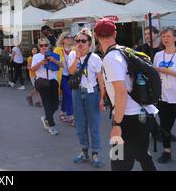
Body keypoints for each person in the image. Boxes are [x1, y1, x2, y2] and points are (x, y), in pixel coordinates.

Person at [95, 18, 158, 171]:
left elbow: (121, 93)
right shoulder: (124, 51)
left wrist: (116, 125)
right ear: (115, 33)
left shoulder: (111, 58)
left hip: (127, 119)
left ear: (95, 35)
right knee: (143, 155)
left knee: (118, 164)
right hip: (143, 115)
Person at [68, 28, 106, 168]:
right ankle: (84, 151)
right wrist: (77, 58)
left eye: (83, 41)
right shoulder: (73, 55)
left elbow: (100, 80)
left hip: (92, 93)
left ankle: (95, 153)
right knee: (80, 123)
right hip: (77, 92)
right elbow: (71, 72)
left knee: (94, 124)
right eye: (77, 40)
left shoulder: (95, 58)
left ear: (90, 43)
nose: (79, 43)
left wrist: (102, 97)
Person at [29, 38, 61, 136]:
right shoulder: (36, 57)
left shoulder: (54, 55)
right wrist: (40, 63)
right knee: (47, 104)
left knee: (55, 104)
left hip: (53, 82)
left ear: (49, 45)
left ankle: (47, 118)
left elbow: (60, 66)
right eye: (41, 45)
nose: (44, 47)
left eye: (45, 45)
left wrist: (53, 60)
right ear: (39, 46)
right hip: (42, 82)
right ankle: (51, 126)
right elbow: (32, 69)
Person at [153, 27, 176, 164]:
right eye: (163, 36)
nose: (166, 39)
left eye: (168, 36)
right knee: (164, 128)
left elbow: (161, 70)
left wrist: (164, 70)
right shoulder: (158, 55)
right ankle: (166, 152)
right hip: (163, 98)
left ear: (175, 38)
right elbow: (155, 74)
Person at [54, 32, 75, 126]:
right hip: (61, 75)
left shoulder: (74, 49)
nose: (69, 39)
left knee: (67, 95)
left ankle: (62, 113)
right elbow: (53, 63)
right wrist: (58, 63)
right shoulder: (57, 50)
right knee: (69, 94)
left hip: (72, 75)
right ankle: (71, 117)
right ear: (62, 39)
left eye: (71, 37)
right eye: (67, 37)